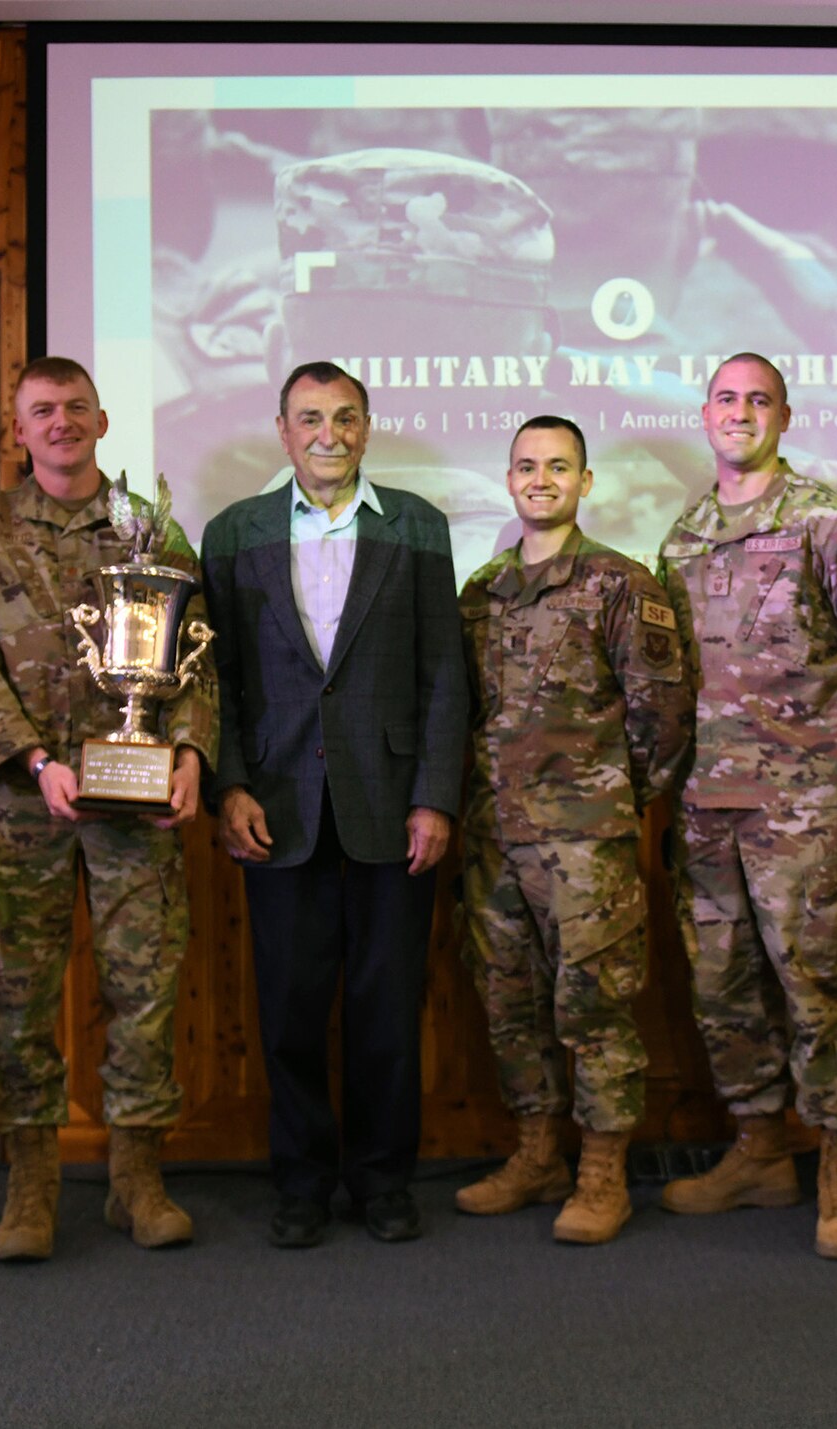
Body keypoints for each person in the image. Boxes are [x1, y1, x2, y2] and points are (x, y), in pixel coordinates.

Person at [0, 356, 216, 1262]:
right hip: (28, 800)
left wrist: (192, 754)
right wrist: (34, 756)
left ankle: (136, 1178)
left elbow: (199, 659)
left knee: (146, 987)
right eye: (41, 410)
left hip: (138, 804)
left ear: (103, 421)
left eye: (75, 409)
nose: (60, 422)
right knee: (18, 993)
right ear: (20, 429)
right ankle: (31, 1184)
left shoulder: (152, 530)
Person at [654, 353, 837, 1260]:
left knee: (816, 982)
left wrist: (816, 716)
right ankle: (761, 1149)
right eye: (727, 399)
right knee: (721, 982)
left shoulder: (829, 520)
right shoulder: (684, 534)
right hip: (705, 798)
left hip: (801, 799)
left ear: (786, 414)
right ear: (705, 415)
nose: (741, 413)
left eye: (758, 400)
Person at [200, 360, 466, 1248]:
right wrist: (228, 783)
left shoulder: (419, 528)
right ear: (282, 430)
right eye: (310, 417)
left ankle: (384, 1180)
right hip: (276, 804)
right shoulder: (233, 533)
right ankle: (304, 1181)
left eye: (346, 417)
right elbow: (222, 679)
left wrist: (435, 797)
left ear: (367, 426)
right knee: (290, 1007)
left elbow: (441, 674)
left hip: (391, 805)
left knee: (388, 1005)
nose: (329, 434)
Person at [454, 416, 693, 1245]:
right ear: (509, 479)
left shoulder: (620, 584)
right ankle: (536, 1153)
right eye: (527, 466)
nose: (542, 479)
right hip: (495, 840)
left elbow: (662, 720)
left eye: (560, 466)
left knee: (594, 1010)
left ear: (585, 482)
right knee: (509, 1006)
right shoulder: (480, 594)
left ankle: (601, 1170)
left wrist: (609, 802)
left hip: (588, 847)